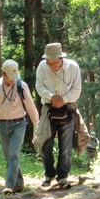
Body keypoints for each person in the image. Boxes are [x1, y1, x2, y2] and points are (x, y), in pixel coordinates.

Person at [0, 59, 39, 195]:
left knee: (13, 153)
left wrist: (37, 126)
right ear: (3, 74)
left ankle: (9, 185)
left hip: (19, 124)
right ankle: (19, 183)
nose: (12, 80)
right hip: (2, 125)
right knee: (9, 156)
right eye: (10, 77)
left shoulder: (22, 85)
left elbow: (31, 107)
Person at [35, 42, 82, 189]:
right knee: (45, 143)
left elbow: (77, 89)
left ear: (61, 58)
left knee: (66, 145)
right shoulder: (42, 67)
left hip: (68, 108)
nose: (52, 65)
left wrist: (63, 99)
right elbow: (39, 86)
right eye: (49, 61)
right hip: (48, 109)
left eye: (54, 62)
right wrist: (52, 97)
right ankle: (49, 174)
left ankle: (63, 177)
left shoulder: (73, 67)